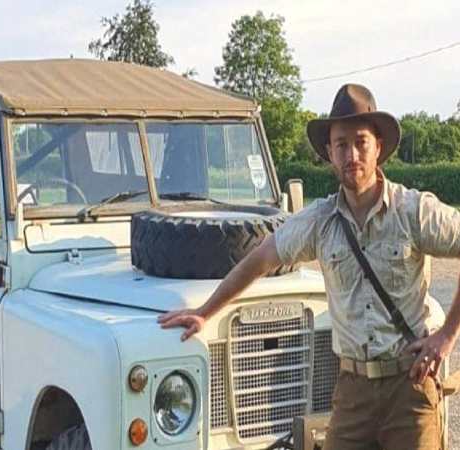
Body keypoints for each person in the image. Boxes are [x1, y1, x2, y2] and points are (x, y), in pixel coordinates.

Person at [158, 84, 460, 449]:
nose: (352, 155)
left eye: (361, 142)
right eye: (341, 144)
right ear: (329, 153)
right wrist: (205, 312)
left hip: (409, 388)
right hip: (353, 392)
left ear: (378, 147)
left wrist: (447, 336)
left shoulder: (413, 212)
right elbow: (259, 259)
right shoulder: (319, 221)